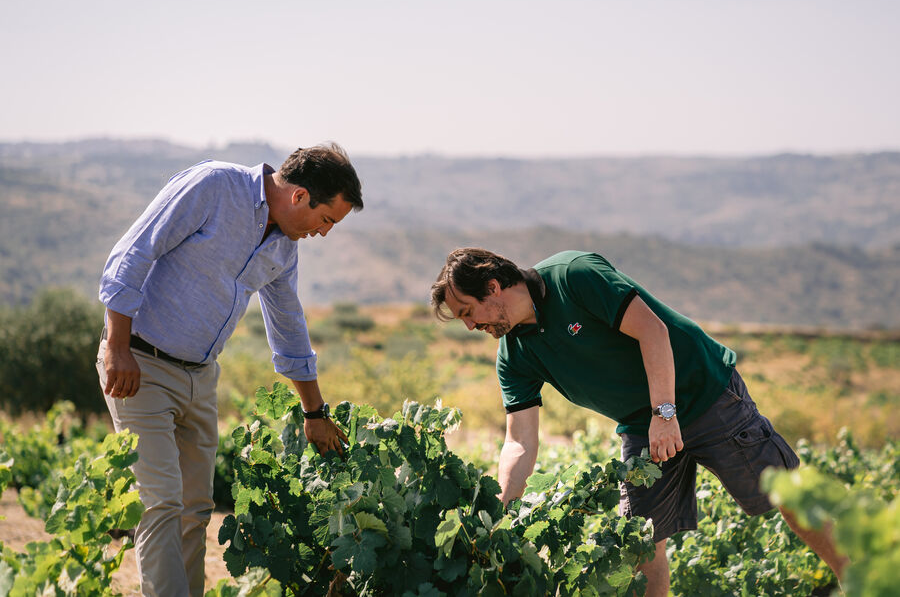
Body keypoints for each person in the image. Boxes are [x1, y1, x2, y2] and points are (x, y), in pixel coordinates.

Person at [430, 248, 847, 597]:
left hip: (704, 394)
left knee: (787, 495)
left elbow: (653, 331)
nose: (470, 326)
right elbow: (519, 441)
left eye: (468, 311)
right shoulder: (514, 355)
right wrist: (501, 506)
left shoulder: (574, 276)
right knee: (642, 541)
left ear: (493, 287)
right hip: (638, 425)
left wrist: (664, 413)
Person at [96, 143, 362, 597]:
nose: (324, 232)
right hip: (140, 365)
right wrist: (116, 346)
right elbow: (134, 251)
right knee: (160, 503)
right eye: (326, 220)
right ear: (299, 197)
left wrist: (315, 413)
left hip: (202, 375)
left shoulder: (284, 247)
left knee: (195, 509)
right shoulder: (214, 186)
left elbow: (289, 327)